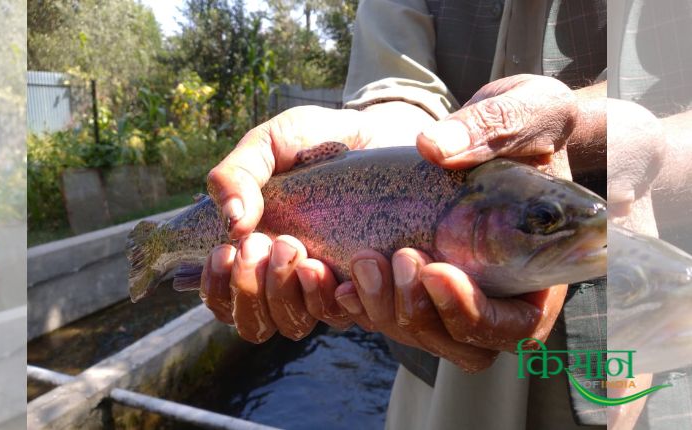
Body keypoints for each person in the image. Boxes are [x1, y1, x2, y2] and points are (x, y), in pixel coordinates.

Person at [197, 0, 688, 428]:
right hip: (436, 373)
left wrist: (607, 132)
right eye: (544, 222)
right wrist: (386, 131)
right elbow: (398, 90)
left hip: (657, 336)